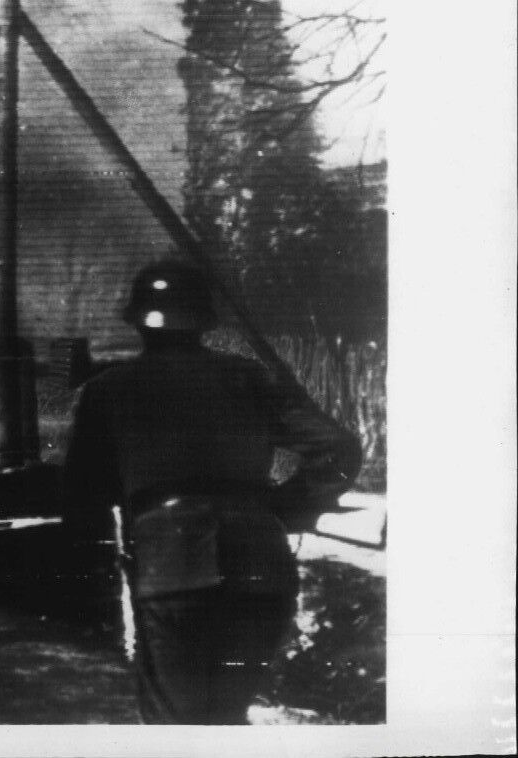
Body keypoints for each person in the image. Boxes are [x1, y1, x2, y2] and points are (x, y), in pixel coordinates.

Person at [63, 259, 362, 724]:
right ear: (203, 322)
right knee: (227, 714)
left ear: (140, 325)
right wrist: (284, 509)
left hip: (172, 572)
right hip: (262, 569)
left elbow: (82, 498)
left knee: (178, 725)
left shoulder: (107, 391)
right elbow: (337, 449)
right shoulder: (249, 377)